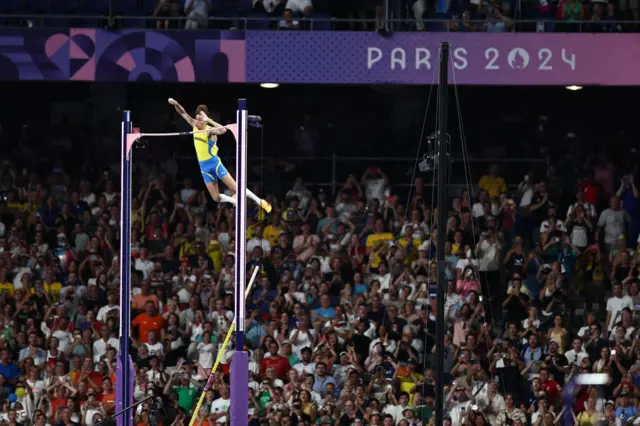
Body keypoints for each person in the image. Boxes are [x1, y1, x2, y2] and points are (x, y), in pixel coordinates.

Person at [168, 98, 272, 213]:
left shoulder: (210, 131)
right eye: (196, 119)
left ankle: (260, 201)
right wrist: (176, 104)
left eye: (200, 120)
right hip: (204, 167)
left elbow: (223, 130)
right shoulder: (194, 125)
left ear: (205, 120)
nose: (196, 122)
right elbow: (183, 113)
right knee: (216, 198)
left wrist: (209, 120)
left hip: (215, 164)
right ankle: (234, 201)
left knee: (235, 188)